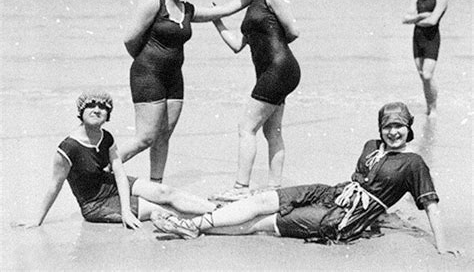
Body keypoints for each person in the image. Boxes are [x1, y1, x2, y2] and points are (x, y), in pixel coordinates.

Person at [151, 102, 461, 256]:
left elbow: (430, 205)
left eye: (399, 126)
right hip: (332, 193)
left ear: (409, 127)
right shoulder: (371, 146)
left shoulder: (414, 163)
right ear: (380, 128)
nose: (393, 132)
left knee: (264, 223)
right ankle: (194, 222)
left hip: (343, 218)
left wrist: (442, 247)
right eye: (387, 126)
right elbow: (365, 182)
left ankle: (191, 226)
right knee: (261, 200)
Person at [119, 0, 253, 184]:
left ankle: (156, 185)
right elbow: (130, 38)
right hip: (147, 76)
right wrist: (146, 62)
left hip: (174, 79)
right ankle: (98, 168)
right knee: (145, 138)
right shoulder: (154, 1)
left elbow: (222, 11)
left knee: (163, 137)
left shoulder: (187, 10)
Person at [14, 91, 216, 229]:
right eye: (90, 105)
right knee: (160, 209)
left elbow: (118, 173)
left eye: (103, 107)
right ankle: (216, 222)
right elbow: (54, 185)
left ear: (107, 115)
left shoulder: (106, 137)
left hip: (110, 185)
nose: (96, 109)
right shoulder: (69, 147)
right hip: (96, 204)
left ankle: (220, 211)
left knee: (165, 192)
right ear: (80, 111)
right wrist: (37, 220)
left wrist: (126, 209)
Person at [209, 0, 301, 201]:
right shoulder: (253, 2)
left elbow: (293, 30)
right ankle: (274, 189)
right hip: (277, 71)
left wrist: (276, 45)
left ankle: (240, 188)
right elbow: (238, 44)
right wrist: (217, 21)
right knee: (272, 132)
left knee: (246, 127)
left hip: (278, 69)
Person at [402, 0, 448, 117]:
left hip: (431, 39)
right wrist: (422, 15)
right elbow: (405, 18)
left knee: (428, 75)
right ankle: (429, 107)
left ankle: (433, 108)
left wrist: (416, 20)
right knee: (423, 76)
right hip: (417, 39)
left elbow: (433, 21)